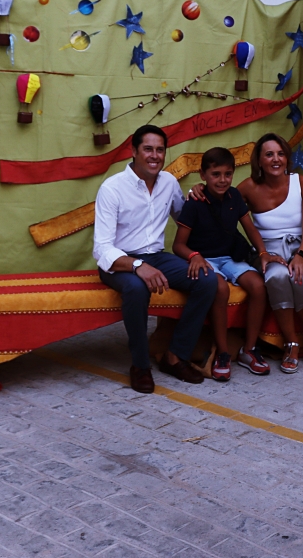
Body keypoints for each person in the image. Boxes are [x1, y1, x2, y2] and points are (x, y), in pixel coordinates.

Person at [93, 125, 218, 395]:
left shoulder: (169, 183)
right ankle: (140, 366)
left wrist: (199, 192)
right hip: (119, 263)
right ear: (134, 151)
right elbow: (102, 248)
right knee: (137, 289)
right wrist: (138, 266)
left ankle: (175, 356)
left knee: (207, 280)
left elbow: (185, 218)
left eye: (160, 150)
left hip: (157, 257)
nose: (155, 155)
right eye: (148, 149)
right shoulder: (112, 188)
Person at [171, 147, 277, 381]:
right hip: (204, 260)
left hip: (229, 259)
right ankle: (222, 352)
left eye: (227, 174)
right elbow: (178, 245)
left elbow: (250, 229)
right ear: (203, 175)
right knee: (220, 288)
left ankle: (248, 350)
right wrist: (194, 256)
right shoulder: (194, 202)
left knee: (259, 286)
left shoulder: (234, 197)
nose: (222, 180)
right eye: (215, 174)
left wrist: (262, 253)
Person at [240, 133, 303, 373]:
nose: (276, 159)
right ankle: (291, 343)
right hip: (270, 252)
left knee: (300, 275)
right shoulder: (248, 187)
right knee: (278, 276)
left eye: (280, 154)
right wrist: (197, 190)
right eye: (269, 154)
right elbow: (221, 202)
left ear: (287, 158)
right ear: (259, 160)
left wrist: (300, 255)